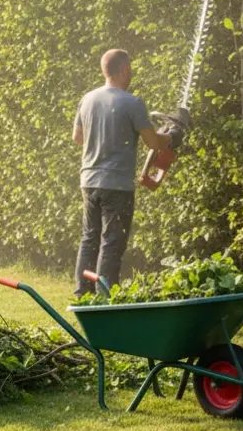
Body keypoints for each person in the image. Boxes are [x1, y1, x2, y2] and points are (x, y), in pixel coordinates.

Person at [72, 49, 172, 296]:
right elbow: (153, 143)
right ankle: (106, 298)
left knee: (89, 238)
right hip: (117, 185)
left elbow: (77, 138)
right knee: (111, 242)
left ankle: (83, 294)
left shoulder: (88, 99)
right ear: (125, 69)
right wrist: (170, 135)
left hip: (89, 181)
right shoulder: (132, 103)